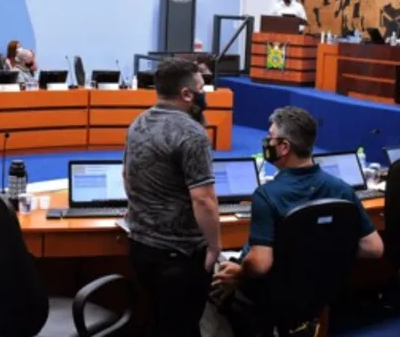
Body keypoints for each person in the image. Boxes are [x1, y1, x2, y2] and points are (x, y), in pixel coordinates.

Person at [212, 106, 383, 335]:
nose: (266, 142)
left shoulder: (267, 194)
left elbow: (260, 265)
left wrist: (239, 273)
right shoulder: (341, 189)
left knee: (211, 284)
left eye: (270, 137)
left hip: (268, 297)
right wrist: (319, 252)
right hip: (316, 294)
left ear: (284, 147)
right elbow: (374, 248)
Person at [122, 58, 219, 336]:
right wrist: (214, 247)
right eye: (202, 87)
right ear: (186, 94)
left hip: (141, 247)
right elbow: (204, 200)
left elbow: (127, 177)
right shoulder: (192, 134)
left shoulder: (137, 123)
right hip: (181, 256)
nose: (205, 93)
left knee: (160, 321)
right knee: (184, 327)